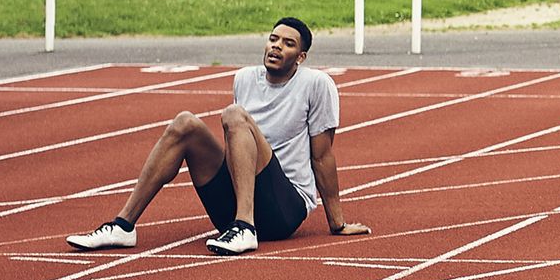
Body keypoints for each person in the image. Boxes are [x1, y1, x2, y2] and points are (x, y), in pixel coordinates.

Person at [66, 17, 368, 255]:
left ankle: (245, 228)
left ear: (300, 57)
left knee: (233, 115)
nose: (276, 47)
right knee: (185, 123)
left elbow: (322, 155)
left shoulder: (317, 84)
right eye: (273, 39)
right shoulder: (245, 78)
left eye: (287, 44)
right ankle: (123, 225)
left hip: (283, 210)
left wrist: (337, 223)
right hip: (236, 202)